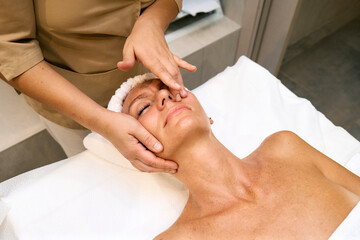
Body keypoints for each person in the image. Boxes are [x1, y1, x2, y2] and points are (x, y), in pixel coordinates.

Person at [119, 76, 360, 239]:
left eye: (172, 88)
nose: (165, 97)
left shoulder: (286, 147)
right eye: (143, 108)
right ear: (142, 152)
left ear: (207, 115)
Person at [0, 0, 196, 173]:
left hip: (146, 67)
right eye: (143, 108)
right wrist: (101, 122)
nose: (164, 97)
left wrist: (152, 22)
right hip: (73, 100)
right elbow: (9, 50)